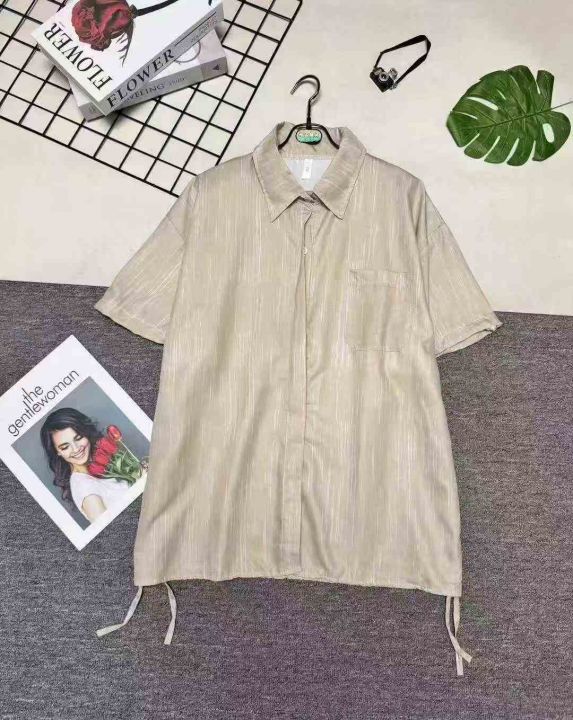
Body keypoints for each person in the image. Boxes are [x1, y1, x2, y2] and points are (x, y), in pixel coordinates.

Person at [40, 408, 136, 523]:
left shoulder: (98, 463)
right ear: (57, 452)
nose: (76, 449)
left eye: (78, 438)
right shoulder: (85, 489)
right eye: (65, 447)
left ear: (86, 433)